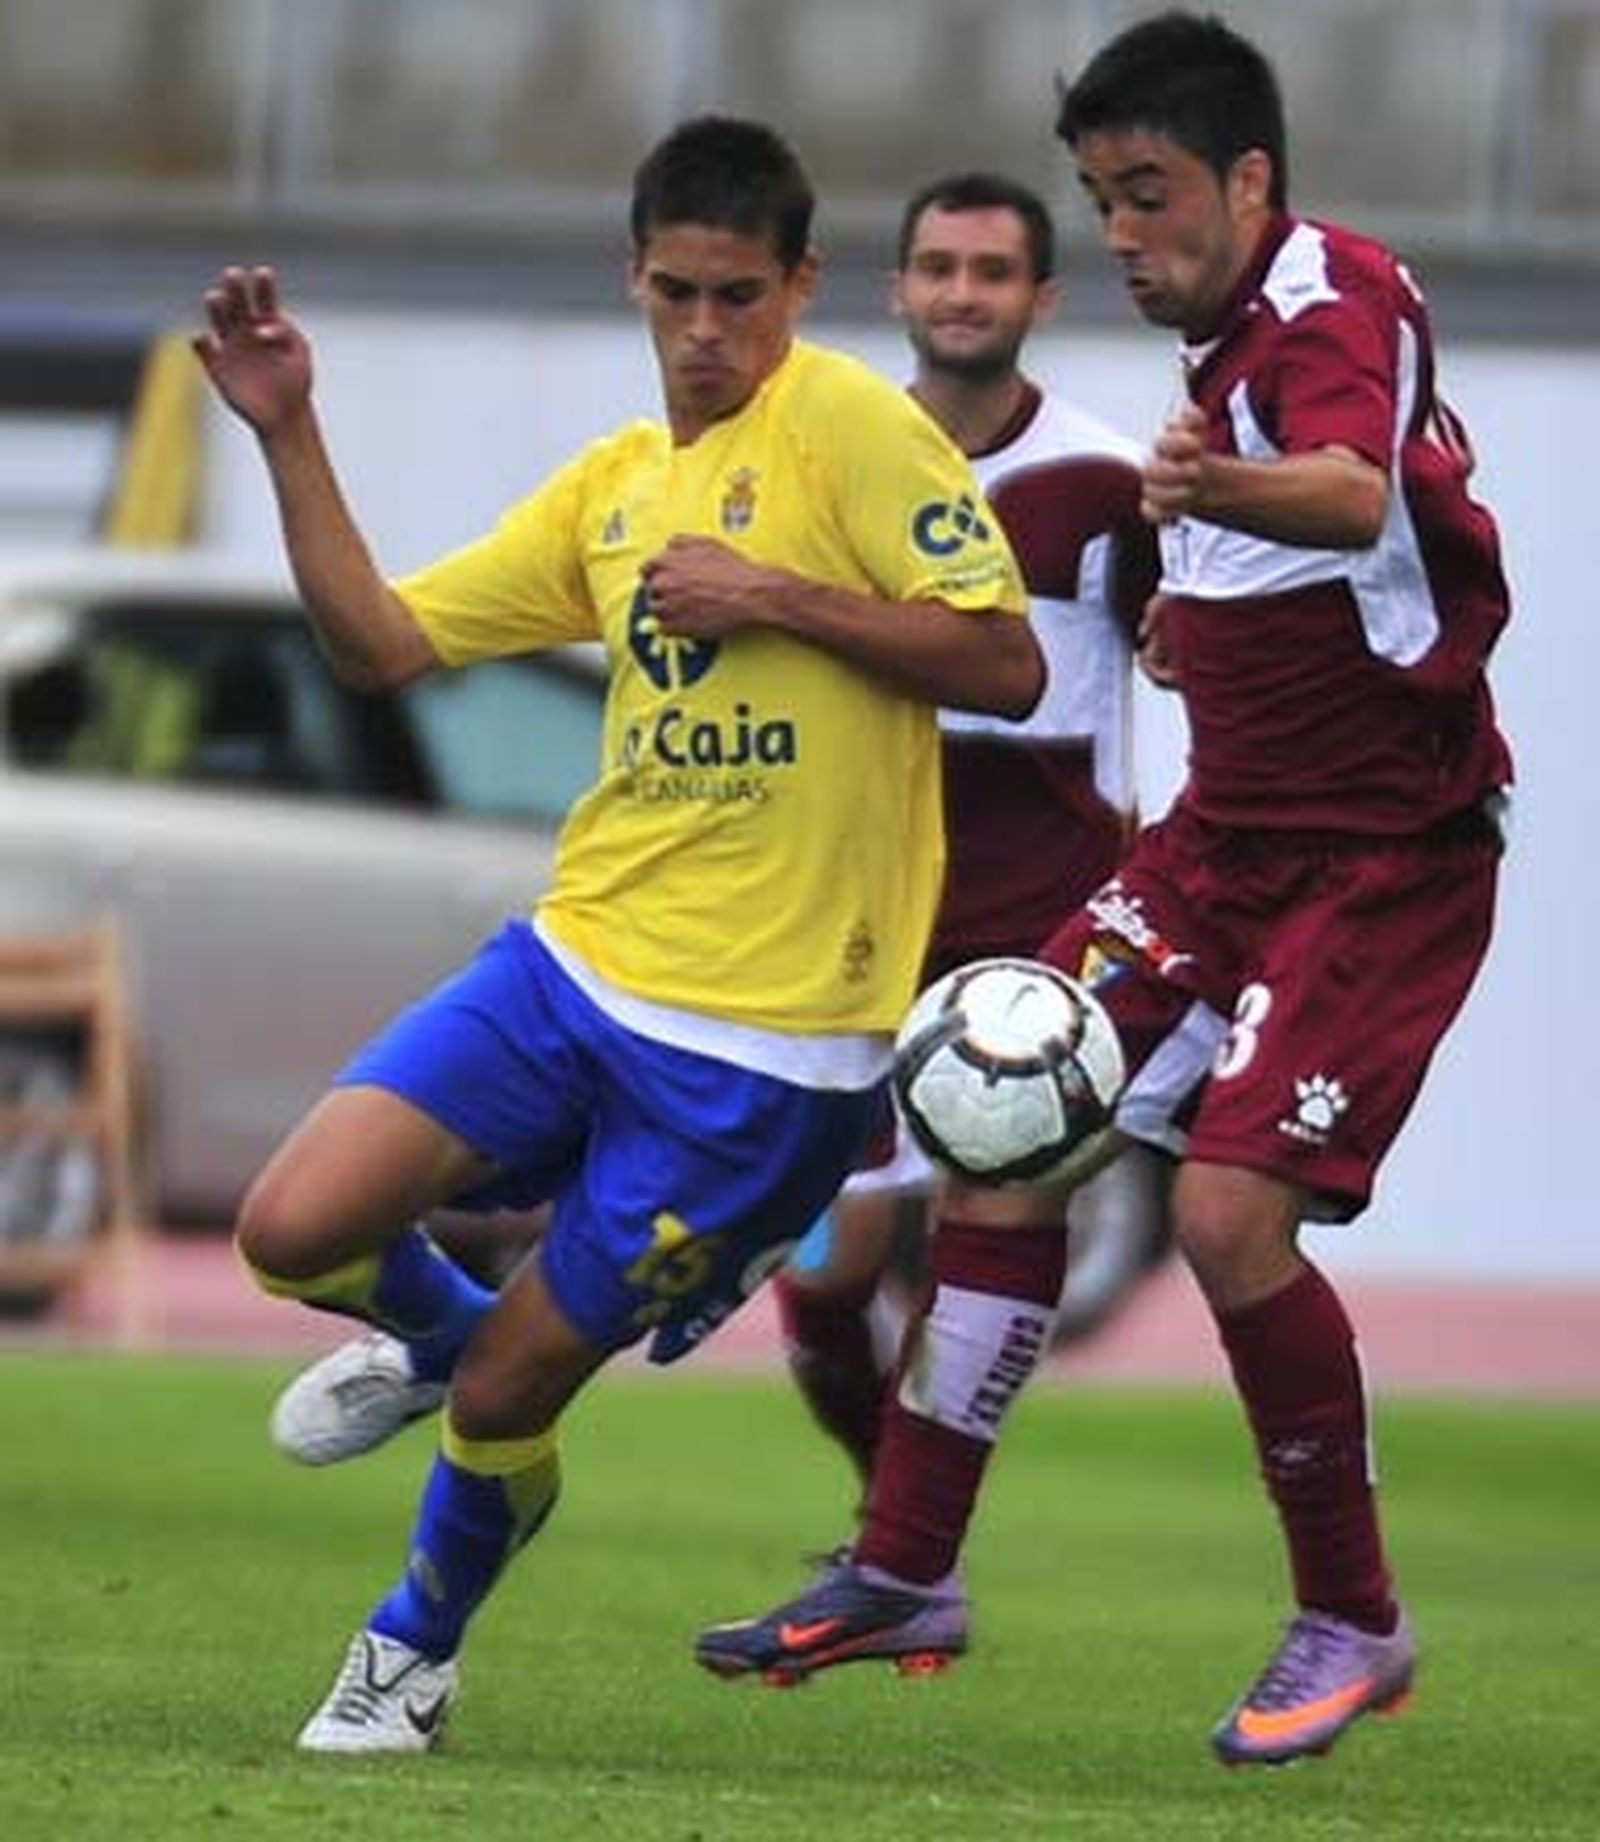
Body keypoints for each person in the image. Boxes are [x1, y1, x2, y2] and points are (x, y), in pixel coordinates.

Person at [695, 14, 1513, 1772]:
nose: (1126, 233)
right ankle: (906, 1564)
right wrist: (1189, 609)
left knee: (1226, 1215)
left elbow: (1345, 485)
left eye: (1149, 195)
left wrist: (1220, 493)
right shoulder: (1225, 343)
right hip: (1220, 842)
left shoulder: (1328, 296)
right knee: (1005, 1123)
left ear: (1249, 178)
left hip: (1383, 860)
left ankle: (1351, 1614)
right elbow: (1315, 550)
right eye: (1104, 200)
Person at [193, 113, 1041, 1755]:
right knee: (291, 1227)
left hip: (768, 1057)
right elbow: (380, 646)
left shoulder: (852, 429)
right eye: (677, 294)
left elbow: (1003, 660)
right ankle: (439, 1335)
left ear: (801, 284)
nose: (707, 330)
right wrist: (289, 430)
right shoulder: (618, 484)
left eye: (740, 296)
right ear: (634, 279)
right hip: (577, 964)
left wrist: (774, 595)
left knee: (513, 1396)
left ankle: (409, 1653)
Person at [769, 172, 1165, 1515]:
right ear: (897, 288)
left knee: (975, 1260)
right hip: (864, 937)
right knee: (825, 1275)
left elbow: (1187, 658)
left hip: (1034, 947)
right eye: (938, 267)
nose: (962, 293)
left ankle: (904, 1548)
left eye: (992, 271)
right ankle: (890, 1517)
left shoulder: (1109, 485)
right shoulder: (835, 466)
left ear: (1040, 298)